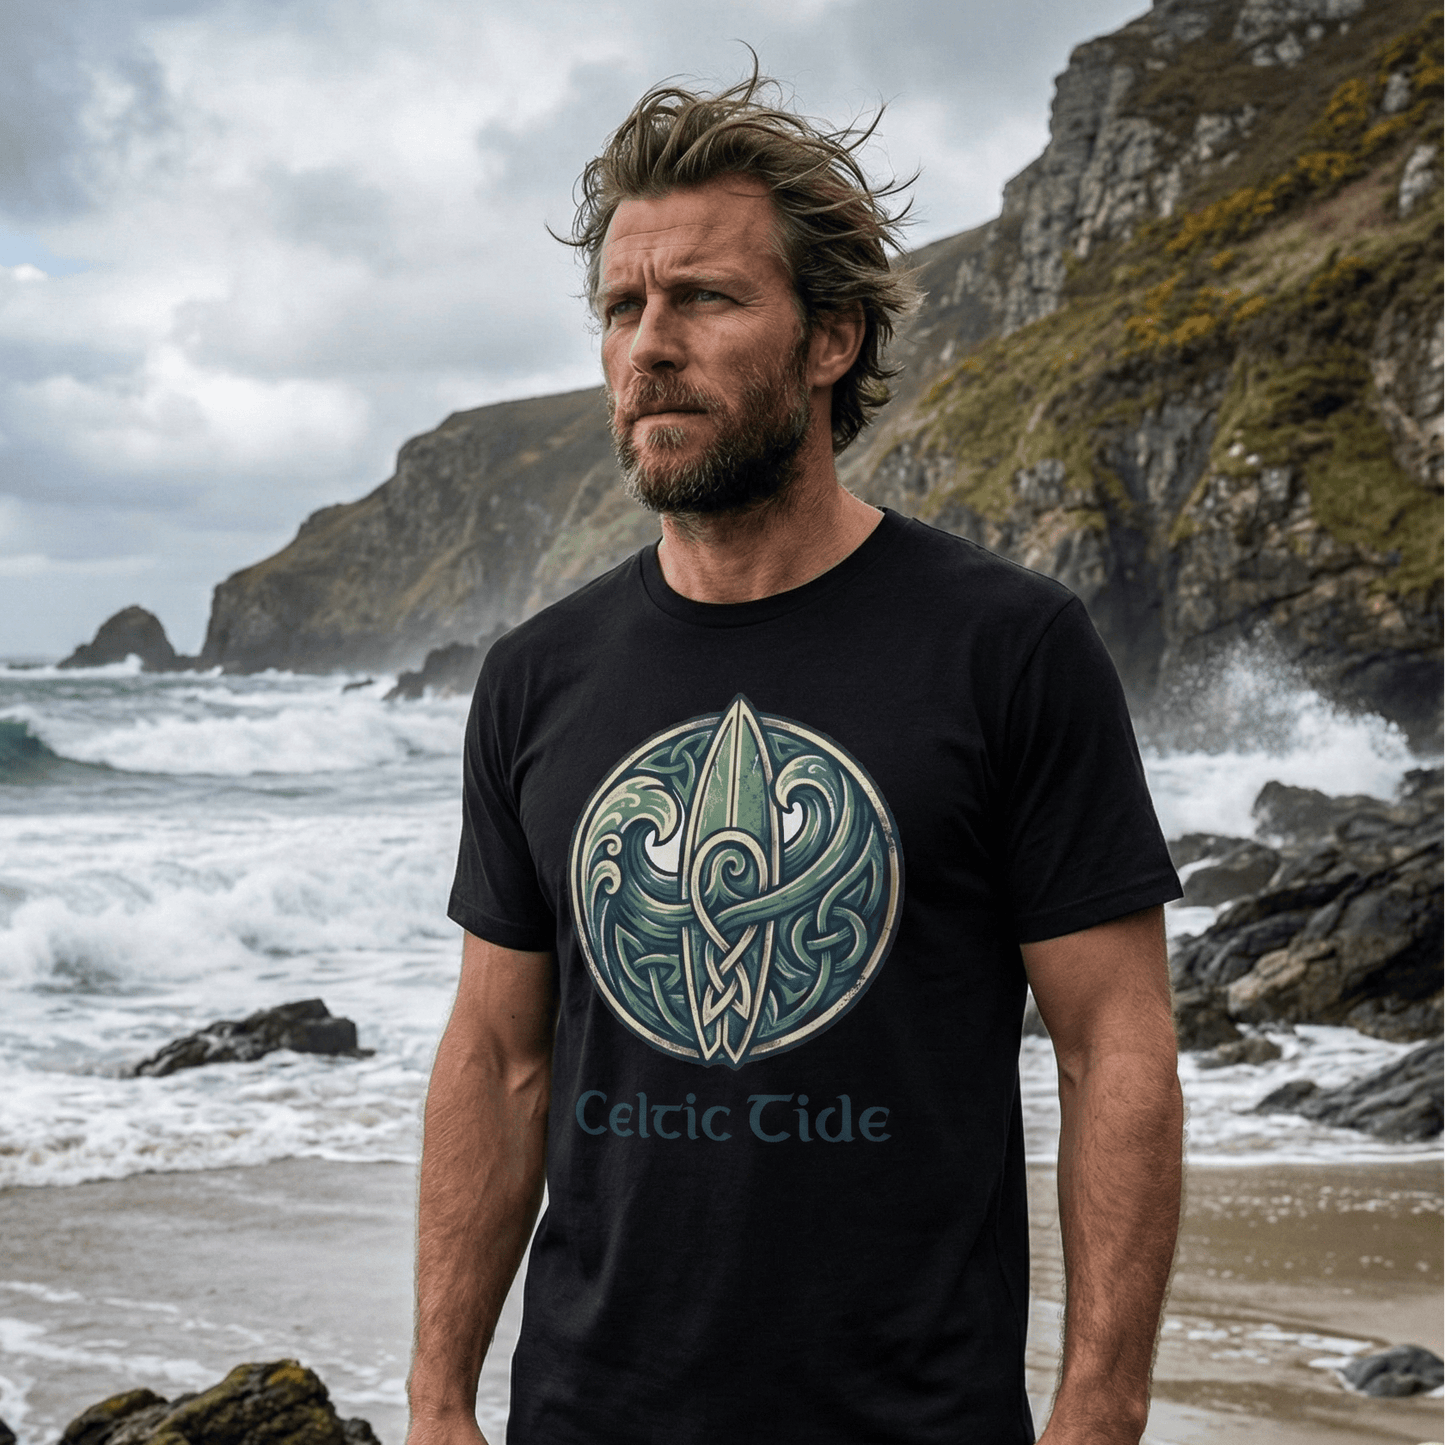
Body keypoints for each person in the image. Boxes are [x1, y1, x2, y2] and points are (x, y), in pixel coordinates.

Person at [407, 70, 1183, 1445]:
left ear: (830, 338)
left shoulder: (1008, 647)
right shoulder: (537, 677)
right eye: (621, 308)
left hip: (911, 1419)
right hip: (588, 1415)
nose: (649, 347)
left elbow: (1112, 1043)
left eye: (703, 298)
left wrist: (1100, 1410)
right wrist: (436, 1397)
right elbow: (496, 1057)